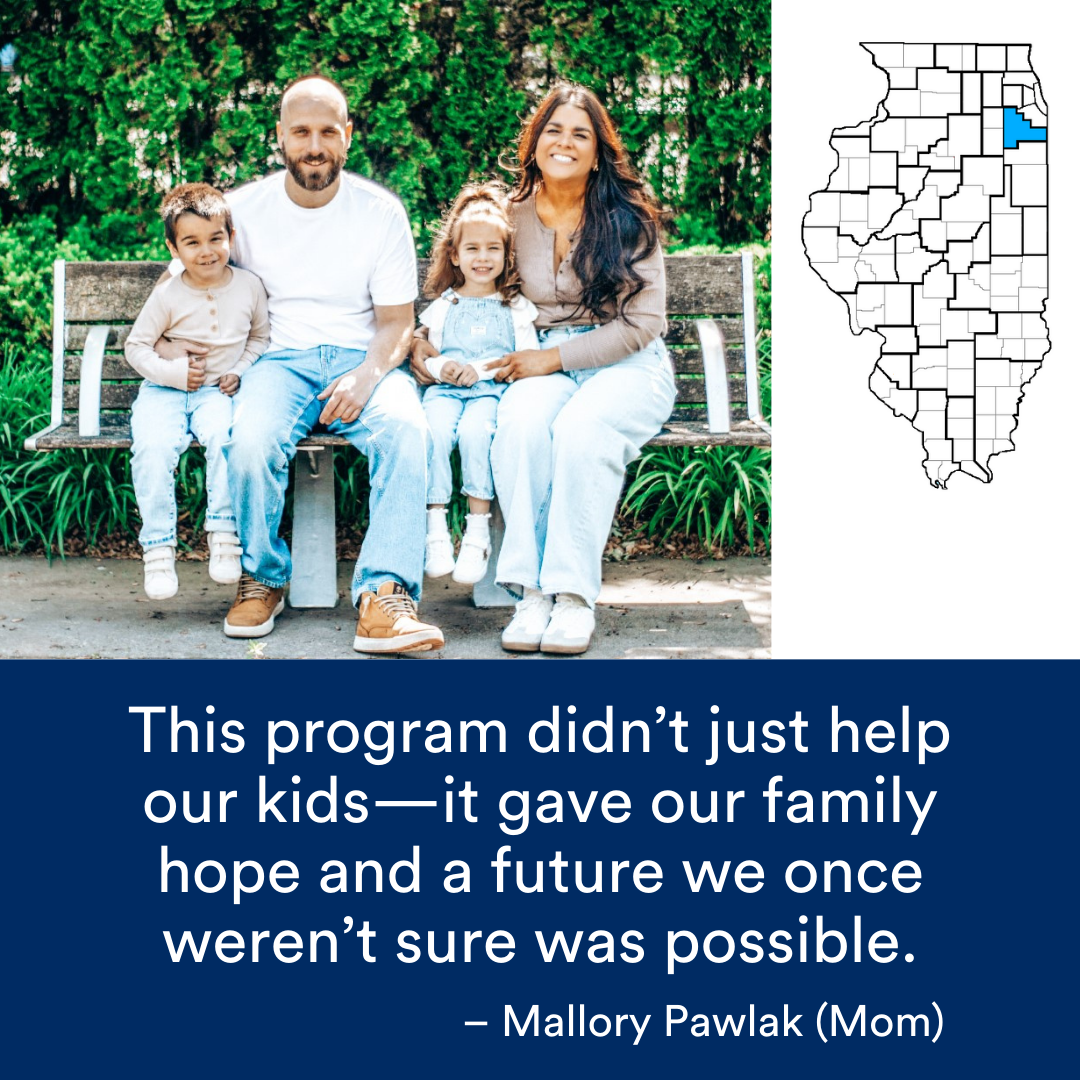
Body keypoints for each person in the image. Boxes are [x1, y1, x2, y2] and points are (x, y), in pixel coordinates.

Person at [159, 75, 443, 653]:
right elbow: (184, 285)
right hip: (276, 359)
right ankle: (262, 577)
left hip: (360, 359)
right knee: (251, 439)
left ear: (348, 136)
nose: (315, 145)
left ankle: (383, 597)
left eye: (328, 132)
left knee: (409, 431)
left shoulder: (380, 212)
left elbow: (395, 323)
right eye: (301, 132)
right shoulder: (240, 211)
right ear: (281, 137)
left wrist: (367, 377)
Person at [414, 84, 676, 655]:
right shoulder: (509, 217)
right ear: (534, 142)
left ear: (598, 149)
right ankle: (531, 593)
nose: (565, 142)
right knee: (523, 427)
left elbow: (644, 322)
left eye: (581, 133)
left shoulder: (628, 218)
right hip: (539, 364)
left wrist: (550, 358)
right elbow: (462, 290)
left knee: (583, 432)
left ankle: (573, 596)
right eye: (554, 130)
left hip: (626, 363)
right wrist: (424, 345)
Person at [126, 182, 269, 600]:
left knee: (227, 440)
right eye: (191, 242)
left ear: (231, 238)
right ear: (173, 248)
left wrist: (239, 370)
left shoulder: (249, 287)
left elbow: (260, 338)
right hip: (162, 392)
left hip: (217, 395)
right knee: (152, 449)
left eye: (215, 239)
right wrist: (172, 373)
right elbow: (136, 346)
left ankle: (223, 536)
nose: (206, 251)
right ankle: (158, 550)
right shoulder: (168, 293)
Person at [419, 182, 539, 585]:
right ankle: (434, 526)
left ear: (507, 255)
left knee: (476, 434)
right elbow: (427, 356)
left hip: (490, 392)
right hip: (444, 392)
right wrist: (445, 367)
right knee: (433, 432)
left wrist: (481, 371)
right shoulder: (444, 305)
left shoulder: (516, 307)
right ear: (455, 254)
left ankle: (477, 530)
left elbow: (524, 357)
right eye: (472, 248)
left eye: (493, 249)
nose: (482, 258)